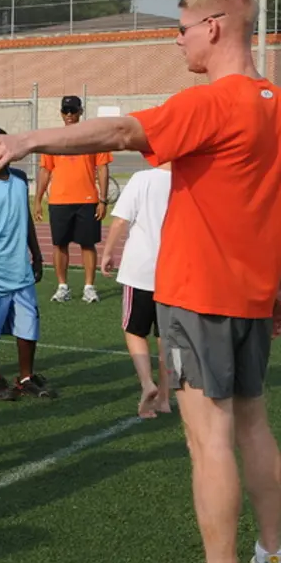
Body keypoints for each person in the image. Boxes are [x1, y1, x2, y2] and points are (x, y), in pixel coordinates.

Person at [0, 0, 281, 563]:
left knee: (209, 438)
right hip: (252, 295)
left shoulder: (214, 100)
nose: (179, 40)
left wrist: (27, 140)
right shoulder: (274, 102)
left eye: (184, 29)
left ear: (216, 26)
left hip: (202, 296)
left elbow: (120, 128)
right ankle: (273, 561)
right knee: (253, 427)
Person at [0, 127, 53, 402]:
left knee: (29, 324)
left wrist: (37, 254)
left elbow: (26, 218)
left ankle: (26, 376)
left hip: (20, 268)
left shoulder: (19, 178)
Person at [101, 165, 173, 420]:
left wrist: (108, 252)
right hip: (174, 270)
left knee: (134, 330)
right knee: (166, 334)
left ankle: (147, 383)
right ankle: (165, 397)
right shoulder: (189, 180)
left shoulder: (142, 178)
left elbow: (121, 219)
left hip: (140, 269)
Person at [35, 95, 112, 304]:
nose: (69, 115)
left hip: (87, 199)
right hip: (59, 200)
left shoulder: (94, 137)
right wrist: (37, 199)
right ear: (61, 113)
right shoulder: (53, 138)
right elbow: (45, 169)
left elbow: (103, 168)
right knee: (59, 244)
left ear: (80, 112)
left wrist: (103, 200)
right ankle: (62, 287)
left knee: (88, 244)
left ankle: (89, 287)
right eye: (66, 111)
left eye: (73, 111)